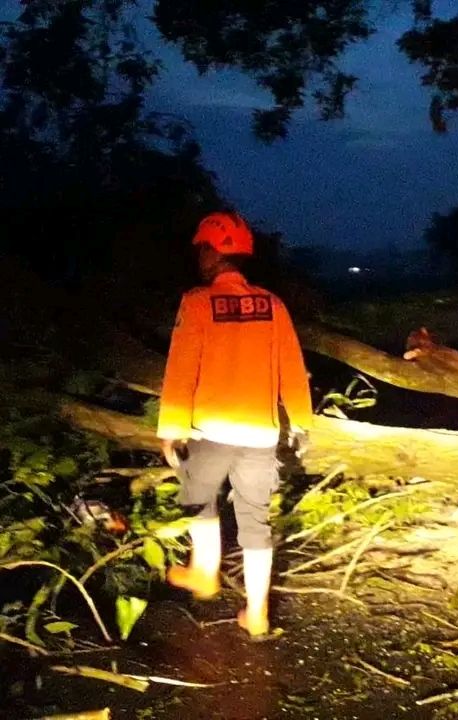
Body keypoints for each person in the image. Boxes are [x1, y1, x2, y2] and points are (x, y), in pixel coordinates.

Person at [156, 210, 313, 639]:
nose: (198, 257)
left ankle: (204, 572)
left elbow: (181, 368)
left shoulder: (197, 302)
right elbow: (292, 370)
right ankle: (258, 613)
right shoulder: (272, 305)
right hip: (261, 435)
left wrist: (171, 427)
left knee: (198, 500)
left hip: (211, 431)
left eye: (200, 249)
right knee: (255, 520)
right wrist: (300, 423)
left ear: (210, 253)